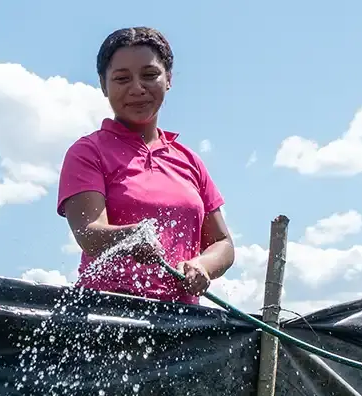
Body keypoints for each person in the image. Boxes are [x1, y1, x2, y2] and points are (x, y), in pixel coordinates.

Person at [56, 26, 235, 305]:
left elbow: (223, 244)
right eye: (122, 78)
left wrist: (203, 266)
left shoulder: (190, 162)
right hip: (105, 314)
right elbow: (88, 233)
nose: (137, 88)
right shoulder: (87, 152)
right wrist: (133, 236)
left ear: (168, 79)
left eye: (150, 75)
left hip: (182, 324)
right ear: (104, 85)